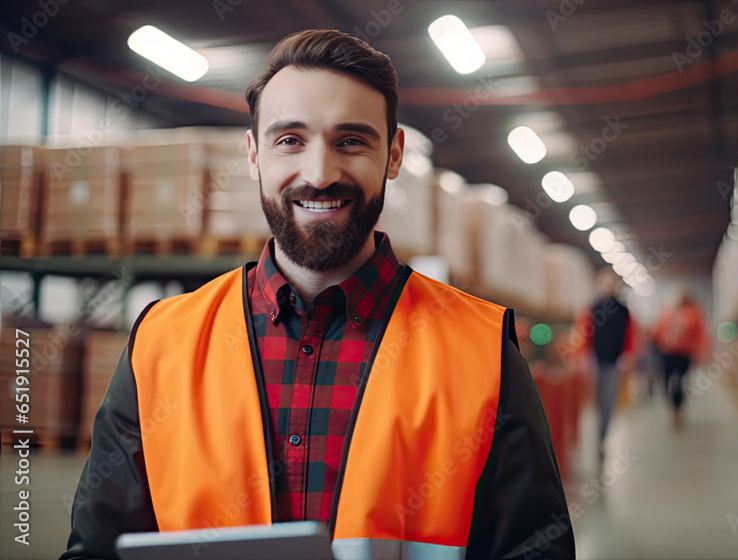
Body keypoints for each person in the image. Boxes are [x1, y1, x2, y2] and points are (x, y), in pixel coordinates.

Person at [61, 30, 574, 560]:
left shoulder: (483, 350)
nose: (320, 174)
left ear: (394, 155)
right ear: (254, 153)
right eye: (290, 140)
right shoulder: (161, 343)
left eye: (351, 141)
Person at [576, 268, 635, 464]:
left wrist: (627, 356)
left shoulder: (623, 310)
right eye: (605, 282)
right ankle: (596, 435)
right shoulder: (592, 307)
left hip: (614, 361)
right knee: (595, 401)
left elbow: (630, 335)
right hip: (595, 359)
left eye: (611, 282)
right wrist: (583, 355)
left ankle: (602, 438)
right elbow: (584, 332)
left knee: (608, 401)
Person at [652, 286, 707, 431]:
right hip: (666, 354)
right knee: (665, 382)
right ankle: (672, 408)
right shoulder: (666, 312)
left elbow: (700, 335)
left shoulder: (693, 313)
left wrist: (699, 353)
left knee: (679, 382)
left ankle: (677, 410)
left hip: (682, 354)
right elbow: (657, 332)